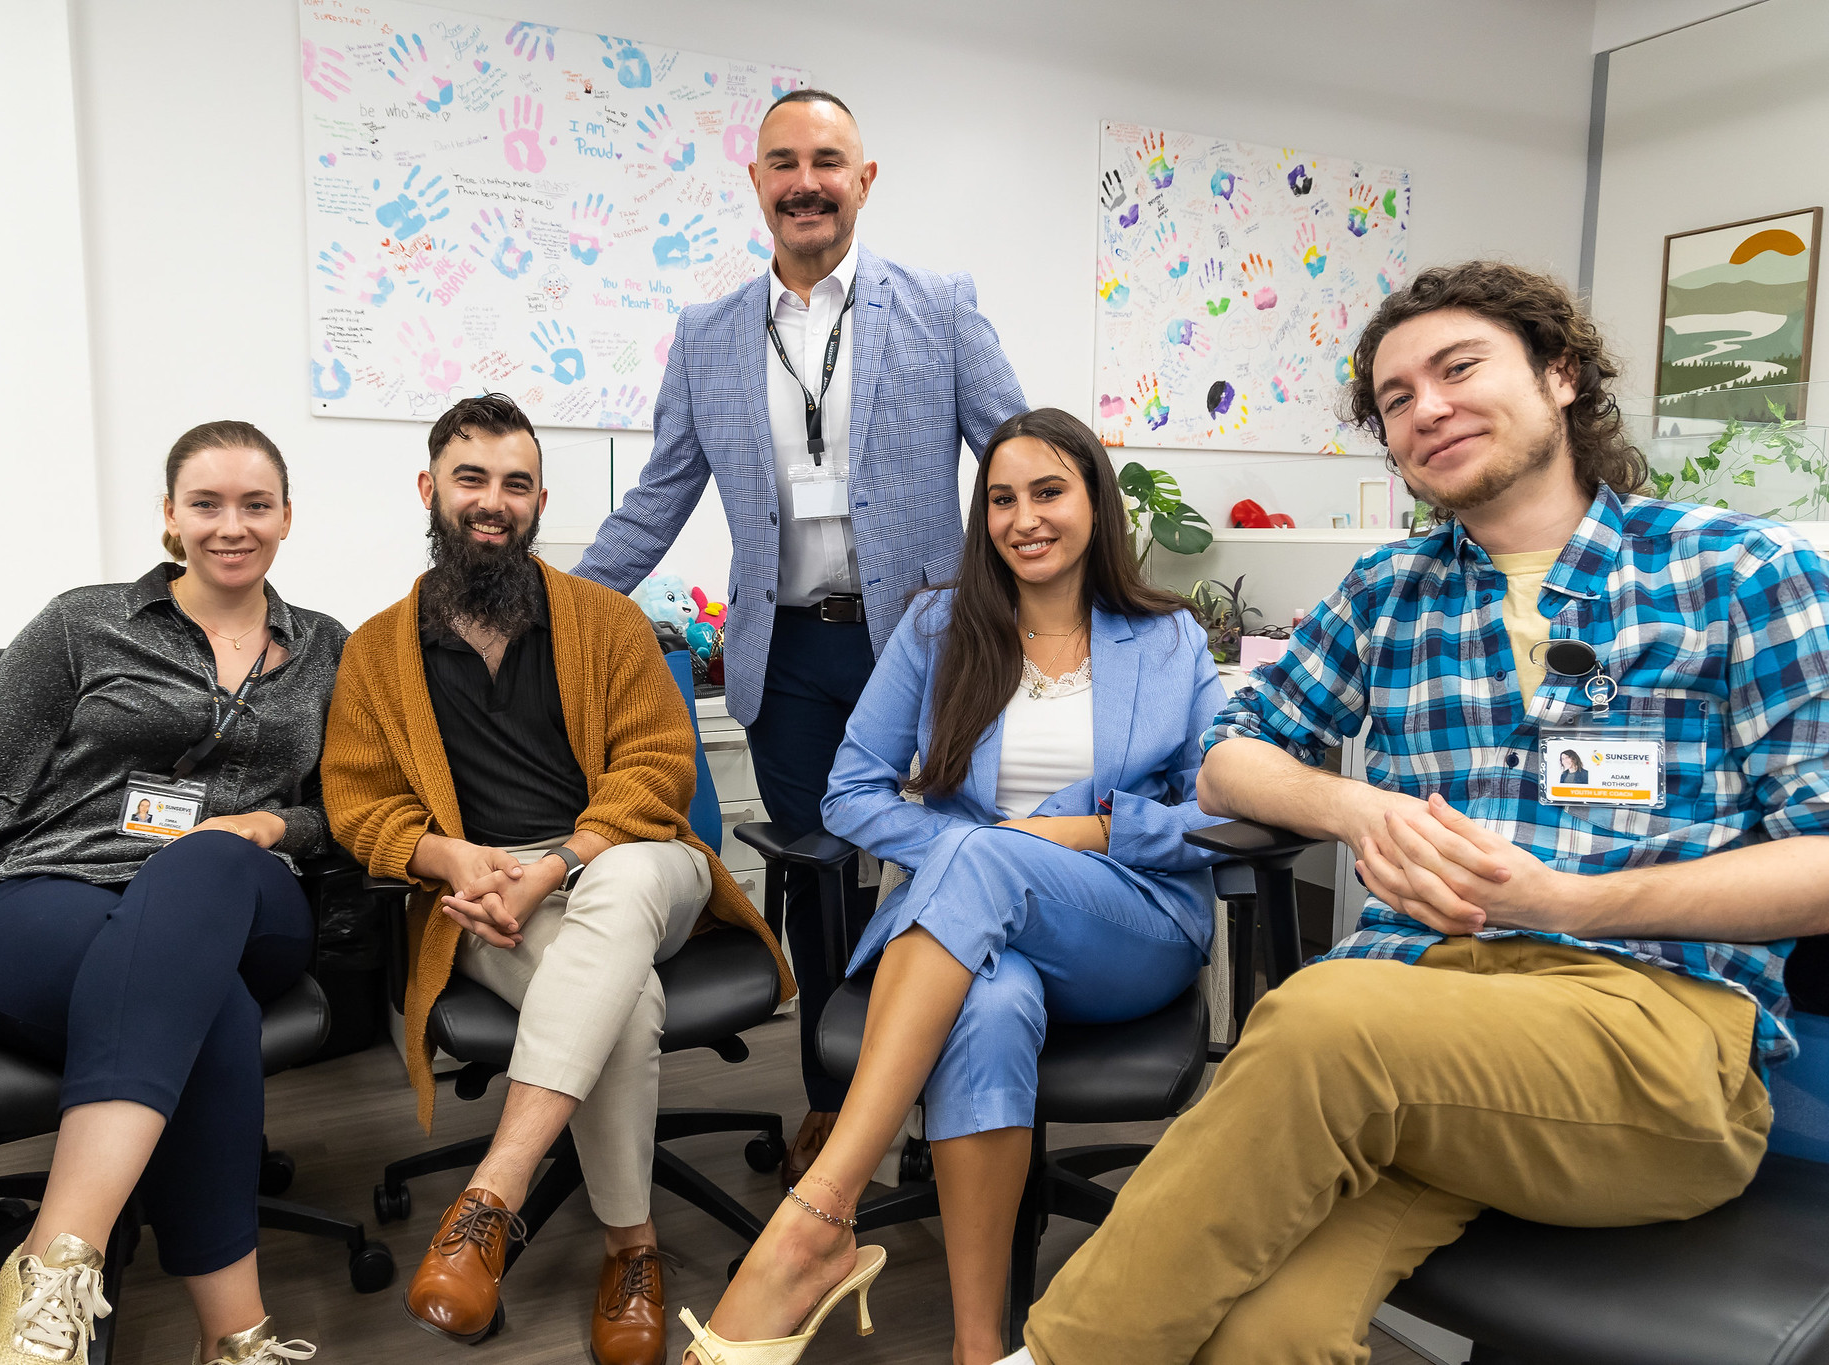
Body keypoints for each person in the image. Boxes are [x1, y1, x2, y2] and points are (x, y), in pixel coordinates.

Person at [1010, 260, 1829, 1364]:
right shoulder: (1388, 590)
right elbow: (1225, 761)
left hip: (1648, 1035)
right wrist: (1354, 808)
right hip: (1420, 1026)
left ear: (1559, 376)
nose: (1424, 409)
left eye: (1456, 369)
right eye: (1394, 399)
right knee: (1261, 1331)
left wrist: (1570, 901)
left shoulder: (1737, 574)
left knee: (1314, 1017)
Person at [679, 409, 1223, 1365]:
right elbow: (849, 788)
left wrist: (1087, 829)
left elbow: (1221, 809)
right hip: (980, 935)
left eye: (1049, 491)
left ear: (1094, 498)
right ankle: (981, 1352)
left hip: (1129, 926)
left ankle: (816, 1215)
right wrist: (981, 848)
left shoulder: (1169, 640)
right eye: (1002, 498)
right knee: (992, 1004)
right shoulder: (938, 624)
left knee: (984, 861)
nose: (1024, 518)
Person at [573, 87, 1027, 1181]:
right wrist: (564, 608)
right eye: (782, 162)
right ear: (756, 184)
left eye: (827, 160)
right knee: (822, 882)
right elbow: (661, 495)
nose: (804, 182)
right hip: (787, 658)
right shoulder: (708, 335)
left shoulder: (941, 306)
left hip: (924, 650)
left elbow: (1019, 465)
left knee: (936, 872)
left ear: (863, 181)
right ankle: (833, 1098)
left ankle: (939, 1099)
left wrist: (1068, 604)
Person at [321, 394, 792, 1365]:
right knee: (621, 1006)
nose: (493, 502)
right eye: (471, 479)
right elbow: (358, 805)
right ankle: (632, 1250)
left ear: (538, 502)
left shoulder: (604, 622)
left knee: (615, 893)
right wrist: (451, 858)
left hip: (631, 865)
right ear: (430, 489)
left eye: (515, 483)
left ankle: (492, 1193)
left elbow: (659, 771)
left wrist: (559, 863)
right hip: (487, 904)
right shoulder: (375, 651)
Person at [0, 421, 344, 1365]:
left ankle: (45, 1268)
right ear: (169, 516)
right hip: (46, 895)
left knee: (202, 861)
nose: (230, 525)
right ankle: (235, 1337)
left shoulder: (327, 650)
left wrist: (274, 826)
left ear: (285, 518)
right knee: (207, 1010)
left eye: (253, 503)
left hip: (244, 898)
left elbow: (352, 810)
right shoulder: (84, 621)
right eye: (206, 503)